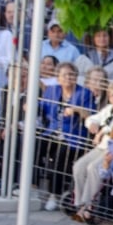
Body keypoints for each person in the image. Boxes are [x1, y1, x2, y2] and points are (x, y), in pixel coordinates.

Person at [71, 81, 113, 219]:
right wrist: (92, 123)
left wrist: (102, 132)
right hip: (103, 146)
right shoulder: (109, 109)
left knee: (93, 168)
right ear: (109, 97)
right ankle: (79, 202)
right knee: (78, 166)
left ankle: (88, 204)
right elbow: (92, 118)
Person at [38, 62, 95, 210]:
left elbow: (90, 116)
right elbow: (42, 109)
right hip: (52, 132)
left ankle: (54, 195)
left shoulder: (84, 93)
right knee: (34, 147)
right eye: (65, 75)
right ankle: (31, 186)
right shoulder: (51, 91)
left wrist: (76, 109)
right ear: (58, 78)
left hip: (73, 137)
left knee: (60, 157)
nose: (69, 77)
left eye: (72, 75)